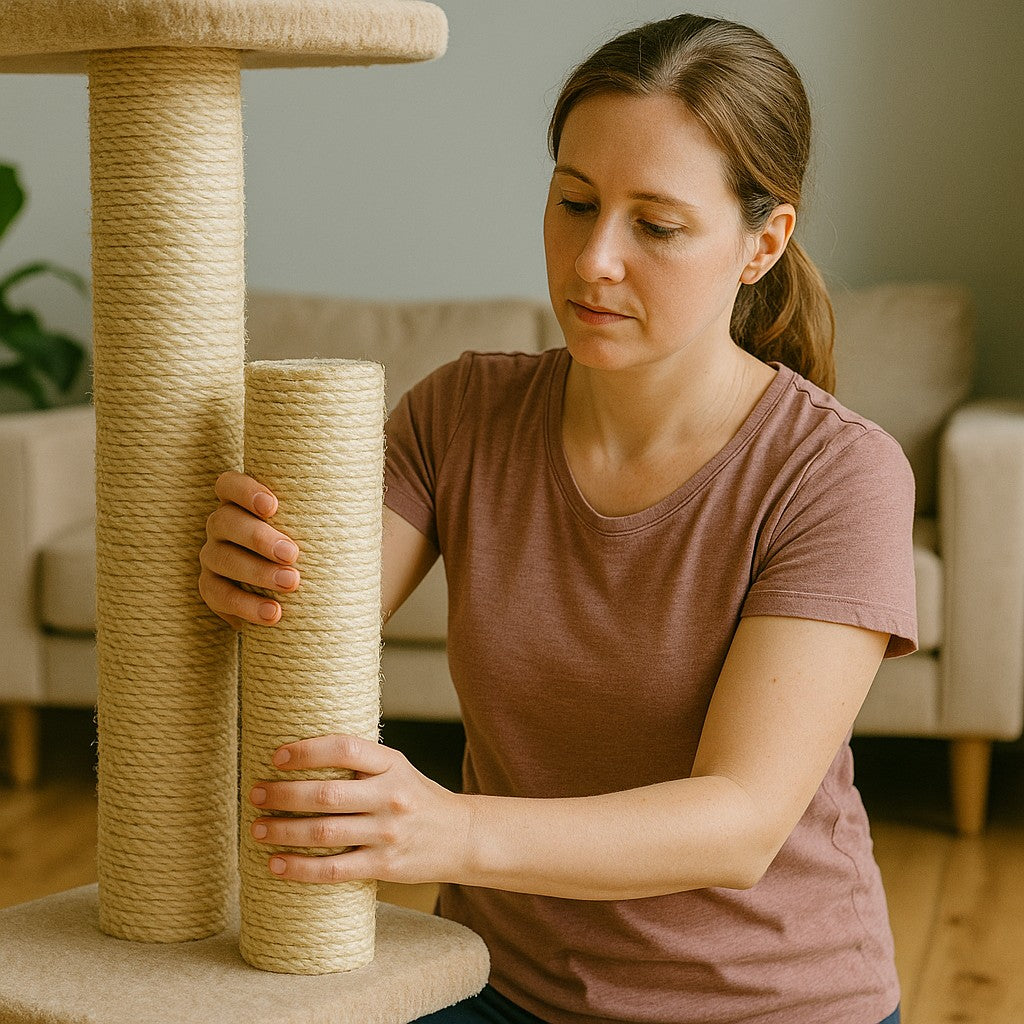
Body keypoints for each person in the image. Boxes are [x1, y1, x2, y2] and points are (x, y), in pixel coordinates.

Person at [199, 13, 915, 1024]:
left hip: (764, 1005)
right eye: (573, 203)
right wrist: (247, 571)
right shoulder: (460, 411)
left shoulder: (839, 473)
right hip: (499, 987)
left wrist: (446, 830)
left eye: (654, 226)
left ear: (764, 242)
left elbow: (739, 821)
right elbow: (311, 625)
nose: (591, 263)